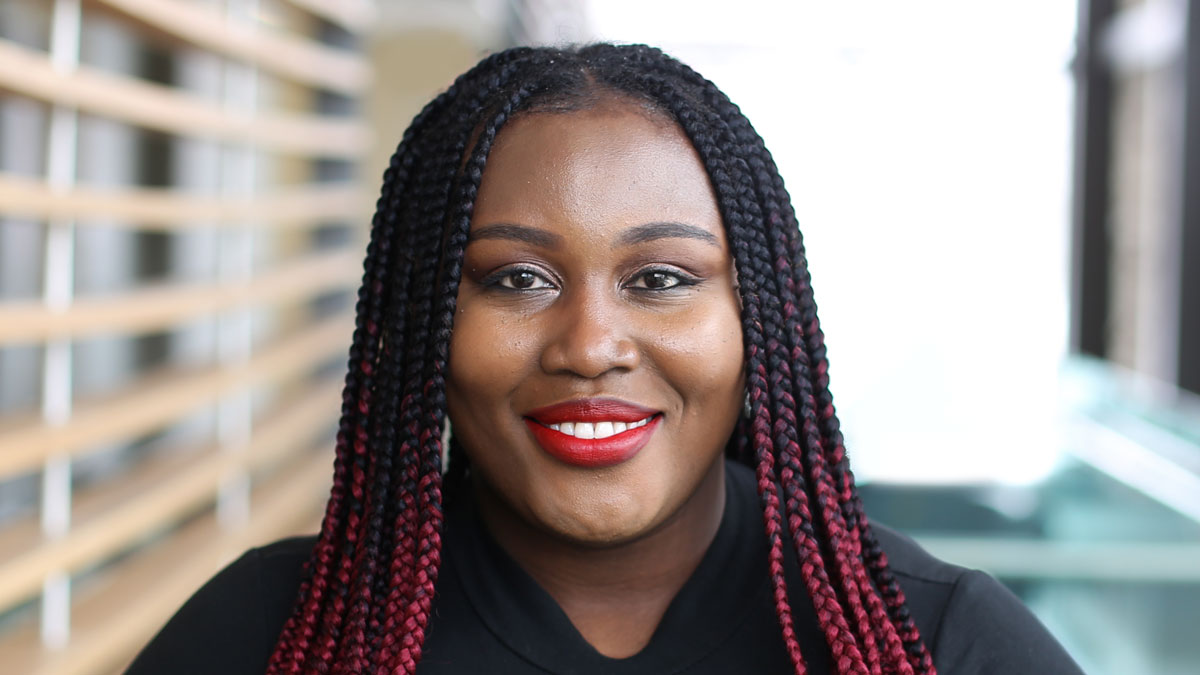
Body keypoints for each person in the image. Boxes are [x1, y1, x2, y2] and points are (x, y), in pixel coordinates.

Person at [127, 44, 1085, 675]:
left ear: (760, 321)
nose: (589, 345)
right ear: (422, 326)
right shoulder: (266, 637)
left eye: (661, 278)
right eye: (517, 279)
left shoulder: (939, 644)